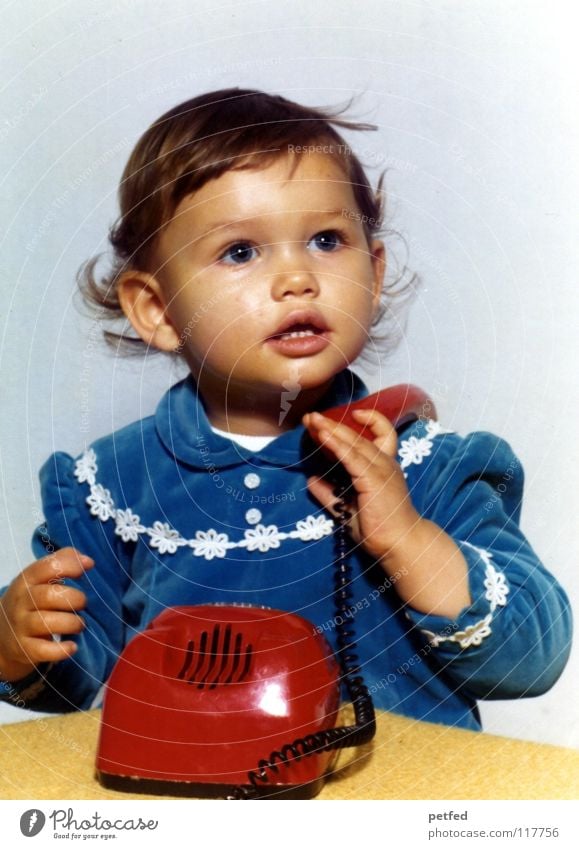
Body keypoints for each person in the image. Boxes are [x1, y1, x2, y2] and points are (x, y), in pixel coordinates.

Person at [0, 88, 571, 730]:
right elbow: (86, 688)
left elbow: (534, 659)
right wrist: (22, 647)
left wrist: (407, 539)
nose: (297, 277)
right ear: (156, 311)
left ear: (374, 274)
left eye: (327, 240)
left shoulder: (429, 465)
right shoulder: (110, 484)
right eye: (241, 252)